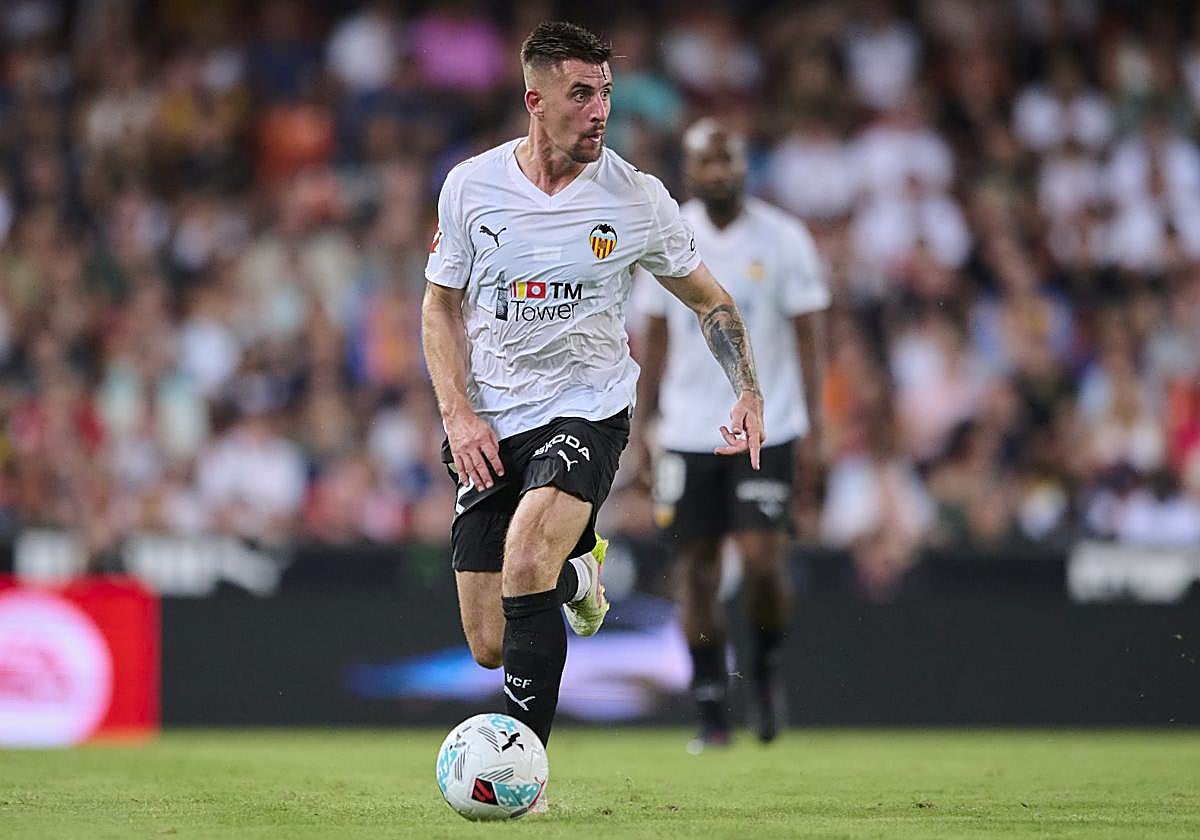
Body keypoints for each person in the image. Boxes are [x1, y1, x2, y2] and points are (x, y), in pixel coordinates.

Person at [420, 22, 765, 767]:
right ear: (535, 100)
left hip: (589, 407)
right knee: (489, 642)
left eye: (605, 92)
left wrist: (748, 391)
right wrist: (458, 414)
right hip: (493, 419)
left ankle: (522, 770)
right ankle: (580, 572)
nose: (600, 110)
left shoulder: (636, 197)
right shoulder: (471, 187)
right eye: (581, 94)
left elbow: (710, 300)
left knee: (524, 563)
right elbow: (439, 306)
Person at [633, 119, 829, 751]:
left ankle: (764, 669)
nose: (720, 172)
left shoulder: (784, 238)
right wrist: (642, 428)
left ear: (746, 166)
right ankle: (711, 706)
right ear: (688, 171)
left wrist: (816, 427)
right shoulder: (666, 234)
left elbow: (809, 338)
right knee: (694, 571)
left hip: (768, 429)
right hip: (686, 430)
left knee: (764, 563)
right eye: (707, 162)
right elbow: (654, 341)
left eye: (730, 160)